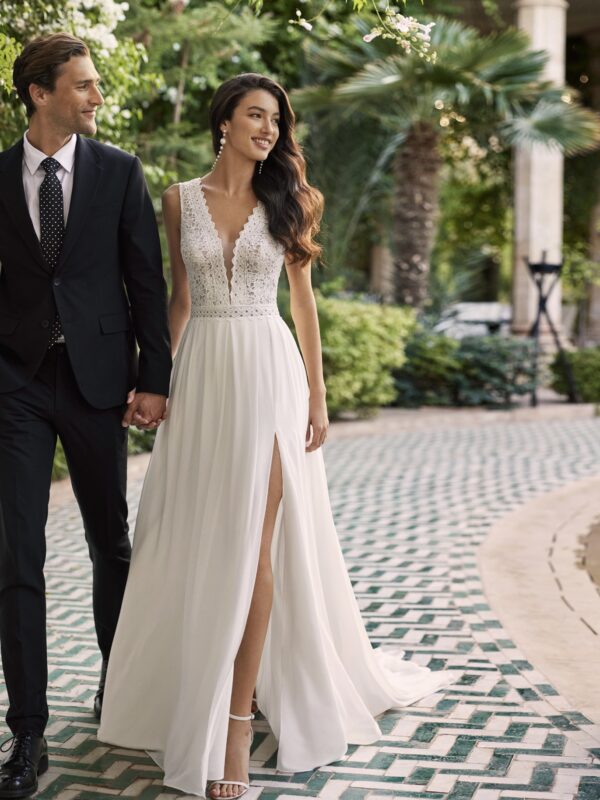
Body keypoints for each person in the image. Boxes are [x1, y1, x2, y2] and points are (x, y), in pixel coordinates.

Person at [98, 73, 454, 799]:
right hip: (200, 377)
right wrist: (154, 381)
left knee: (253, 545)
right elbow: (182, 297)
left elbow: (304, 304)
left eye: (276, 120)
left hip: (267, 372)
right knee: (200, 533)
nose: (269, 129)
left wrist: (318, 398)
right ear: (222, 122)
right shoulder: (178, 200)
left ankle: (233, 721)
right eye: (255, 116)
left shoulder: (287, 200)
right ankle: (202, 688)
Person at [0, 33, 172, 799]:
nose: (97, 96)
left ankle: (119, 685)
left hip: (101, 381)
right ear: (40, 93)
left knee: (113, 541)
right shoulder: (1, 177)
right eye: (84, 85)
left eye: (97, 84)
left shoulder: (119, 172)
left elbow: (146, 279)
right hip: (18, 385)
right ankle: (27, 732)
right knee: (16, 555)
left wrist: (155, 379)